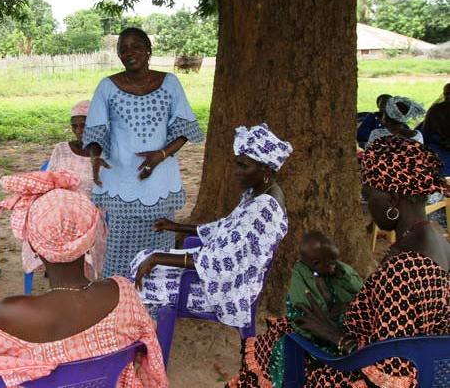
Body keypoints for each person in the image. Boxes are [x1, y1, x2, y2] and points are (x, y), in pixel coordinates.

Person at [245, 136, 449, 387]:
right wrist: (358, 305)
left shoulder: (404, 267)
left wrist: (333, 335)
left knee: (279, 342)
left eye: (368, 195)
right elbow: (409, 320)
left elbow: (390, 371)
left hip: (365, 370)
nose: (366, 205)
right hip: (431, 366)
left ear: (393, 199)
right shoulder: (437, 237)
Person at [0, 171, 167, 387]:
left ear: (34, 246)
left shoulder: (7, 314)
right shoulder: (124, 293)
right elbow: (144, 346)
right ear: (90, 241)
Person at [133, 124, 291, 329]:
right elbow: (225, 228)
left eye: (244, 166)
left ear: (266, 169)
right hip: (222, 274)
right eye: (237, 164)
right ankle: (147, 327)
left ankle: (147, 336)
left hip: (229, 290)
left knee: (143, 277)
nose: (236, 172)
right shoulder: (259, 193)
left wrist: (160, 258)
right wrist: (176, 226)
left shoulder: (263, 209)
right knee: (143, 259)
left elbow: (223, 260)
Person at [83, 27, 204, 277]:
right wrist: (96, 156)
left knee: (159, 248)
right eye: (123, 49)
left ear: (148, 50)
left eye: (136, 46)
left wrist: (160, 155)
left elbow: (184, 127)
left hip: (159, 182)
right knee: (120, 252)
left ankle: (156, 308)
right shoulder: (107, 87)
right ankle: (122, 305)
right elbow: (95, 128)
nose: (130, 52)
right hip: (122, 182)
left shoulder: (169, 82)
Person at [227, 232, 363, 388]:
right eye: (331, 263)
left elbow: (358, 290)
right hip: (310, 331)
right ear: (316, 262)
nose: (335, 266)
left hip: (332, 325)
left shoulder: (334, 272)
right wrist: (334, 315)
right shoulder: (301, 277)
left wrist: (343, 274)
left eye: (336, 261)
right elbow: (309, 315)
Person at [23, 100, 107, 278]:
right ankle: (56, 269)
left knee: (87, 231)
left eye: (83, 125)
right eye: (74, 126)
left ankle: (78, 276)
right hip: (60, 209)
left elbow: (107, 191)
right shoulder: (61, 149)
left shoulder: (106, 153)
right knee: (36, 222)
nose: (78, 131)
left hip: (90, 212)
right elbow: (50, 182)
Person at [423, 83, 450, 176]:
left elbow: (425, 131)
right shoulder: (435, 109)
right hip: (437, 148)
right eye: (447, 94)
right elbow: (426, 132)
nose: (448, 96)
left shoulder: (435, 109)